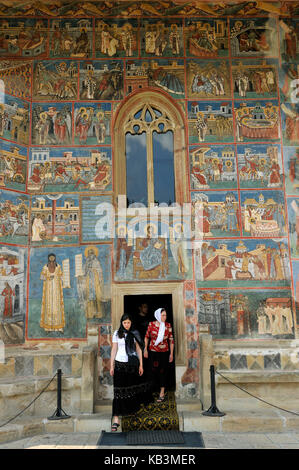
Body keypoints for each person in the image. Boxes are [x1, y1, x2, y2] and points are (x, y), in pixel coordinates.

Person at [110, 313, 150, 432]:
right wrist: (111, 365)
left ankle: (129, 412)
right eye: (124, 323)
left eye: (128, 322)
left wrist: (141, 365)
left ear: (131, 323)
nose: (126, 325)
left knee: (130, 390)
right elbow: (114, 349)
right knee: (118, 391)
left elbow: (138, 349)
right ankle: (116, 418)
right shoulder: (117, 334)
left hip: (131, 365)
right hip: (119, 364)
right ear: (122, 323)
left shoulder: (134, 334)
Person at [144, 308, 174, 403]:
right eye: (163, 315)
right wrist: (145, 349)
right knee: (152, 371)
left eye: (165, 315)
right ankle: (151, 391)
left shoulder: (168, 326)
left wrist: (171, 354)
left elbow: (171, 340)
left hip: (164, 352)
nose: (164, 317)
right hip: (153, 352)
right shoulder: (151, 324)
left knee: (163, 371)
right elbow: (146, 337)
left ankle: (162, 392)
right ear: (158, 315)